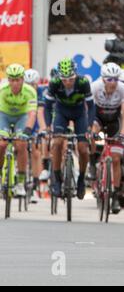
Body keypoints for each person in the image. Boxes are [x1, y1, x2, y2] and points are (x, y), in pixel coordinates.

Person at [44, 58, 95, 199]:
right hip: (61, 113)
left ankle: (81, 180)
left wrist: (90, 127)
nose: (67, 83)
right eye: (64, 80)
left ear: (76, 75)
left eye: (71, 79)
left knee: (83, 148)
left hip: (79, 114)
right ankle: (57, 178)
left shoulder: (83, 82)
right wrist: (48, 126)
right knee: (57, 143)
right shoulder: (54, 83)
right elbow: (47, 107)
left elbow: (91, 107)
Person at [89, 63, 124, 214]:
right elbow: (87, 110)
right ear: (103, 79)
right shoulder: (94, 87)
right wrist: (90, 132)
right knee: (91, 134)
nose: (112, 82)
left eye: (115, 79)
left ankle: (115, 195)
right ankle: (92, 163)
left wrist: (123, 134)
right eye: (109, 79)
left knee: (115, 159)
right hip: (98, 117)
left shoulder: (123, 89)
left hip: (114, 120)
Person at [0, 64, 37, 197]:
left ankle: (21, 183)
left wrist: (27, 131)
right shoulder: (2, 89)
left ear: (23, 79)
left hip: (22, 117)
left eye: (18, 80)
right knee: (1, 144)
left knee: (21, 145)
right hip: (3, 115)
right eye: (12, 80)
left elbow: (32, 114)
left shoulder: (30, 91)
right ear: (8, 80)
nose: (15, 83)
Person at [24, 69, 48, 197]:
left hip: (36, 121)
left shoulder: (41, 92)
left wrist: (41, 128)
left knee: (35, 151)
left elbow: (39, 112)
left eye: (32, 84)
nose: (30, 87)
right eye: (27, 84)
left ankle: (35, 182)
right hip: (24, 119)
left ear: (37, 83)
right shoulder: (22, 91)